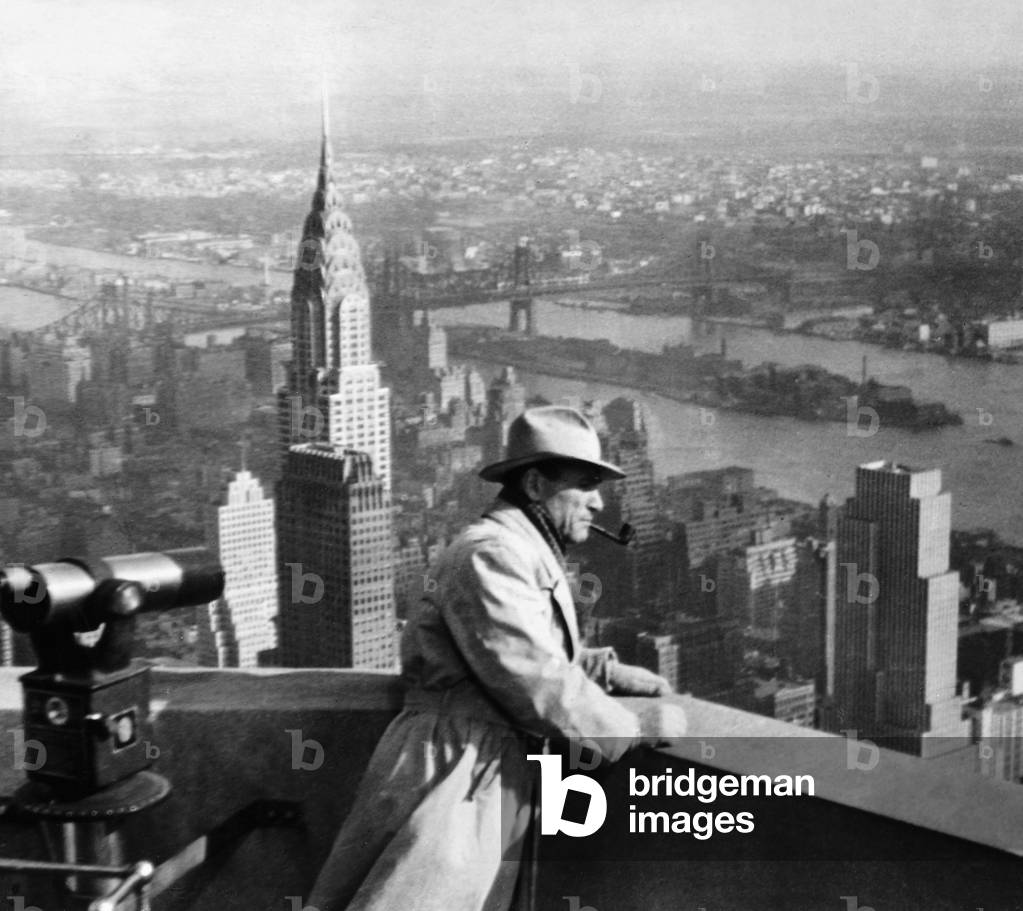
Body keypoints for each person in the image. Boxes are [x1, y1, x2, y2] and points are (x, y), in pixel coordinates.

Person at [308, 405, 688, 911]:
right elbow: (532, 679)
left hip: (480, 767)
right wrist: (630, 731)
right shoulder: (492, 554)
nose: (598, 504)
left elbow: (519, 651)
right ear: (534, 485)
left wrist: (602, 670)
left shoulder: (519, 552)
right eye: (585, 485)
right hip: (452, 772)